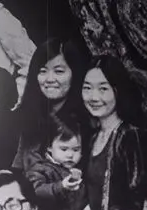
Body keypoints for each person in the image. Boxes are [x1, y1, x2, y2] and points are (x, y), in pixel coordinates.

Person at [80, 56, 147, 210]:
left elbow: (141, 193)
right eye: (87, 88)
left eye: (103, 89)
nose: (94, 97)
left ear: (118, 92)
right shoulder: (93, 136)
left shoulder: (129, 136)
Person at [11, 38, 89, 171]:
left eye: (59, 71)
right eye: (43, 71)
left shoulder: (86, 120)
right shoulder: (30, 115)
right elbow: (18, 166)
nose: (49, 79)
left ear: (74, 73)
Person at [26, 115, 88, 210]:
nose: (70, 155)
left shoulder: (75, 170)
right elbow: (34, 190)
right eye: (64, 149)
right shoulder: (42, 168)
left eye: (76, 149)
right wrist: (60, 187)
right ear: (49, 147)